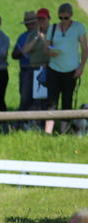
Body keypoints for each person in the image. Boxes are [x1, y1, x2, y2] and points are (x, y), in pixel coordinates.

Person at [44, 3, 87, 134]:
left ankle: (64, 131)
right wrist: (50, 52)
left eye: (66, 18)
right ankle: (48, 132)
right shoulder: (52, 28)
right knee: (51, 102)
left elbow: (85, 49)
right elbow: (46, 48)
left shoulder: (79, 27)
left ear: (71, 16)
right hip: (53, 69)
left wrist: (81, 67)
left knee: (67, 101)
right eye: (61, 18)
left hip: (71, 71)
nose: (63, 21)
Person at [13, 12, 40, 121]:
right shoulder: (22, 37)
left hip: (40, 70)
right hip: (26, 69)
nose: (30, 26)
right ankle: (23, 122)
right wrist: (22, 50)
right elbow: (14, 55)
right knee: (25, 98)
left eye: (32, 23)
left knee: (39, 99)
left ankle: (38, 122)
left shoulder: (43, 35)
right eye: (27, 24)